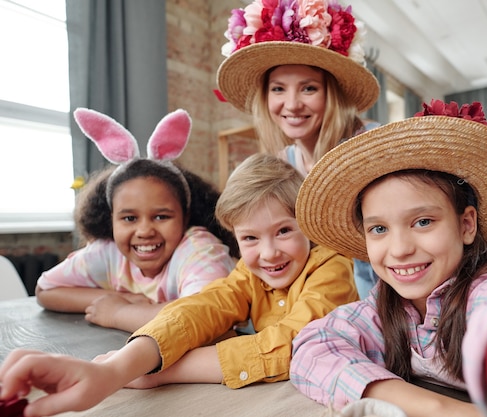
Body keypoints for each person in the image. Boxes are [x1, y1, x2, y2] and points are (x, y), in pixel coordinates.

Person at [0, 152, 357, 417]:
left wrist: (158, 373)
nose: (268, 252)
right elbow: (199, 309)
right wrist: (121, 366)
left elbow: (298, 346)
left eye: (283, 231)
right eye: (250, 238)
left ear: (308, 225)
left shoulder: (331, 266)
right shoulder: (248, 275)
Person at [289, 99, 487, 417]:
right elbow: (313, 346)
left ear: (466, 224)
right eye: (379, 228)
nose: (400, 248)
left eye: (422, 222)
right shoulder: (385, 303)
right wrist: (437, 407)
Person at [216, 0, 381, 299]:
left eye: (308, 88)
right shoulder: (284, 165)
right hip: (315, 304)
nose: (291, 104)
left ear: (332, 94)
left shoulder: (371, 148)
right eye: (278, 89)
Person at [35, 108, 238, 333]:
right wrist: (122, 298)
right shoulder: (108, 251)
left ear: (185, 216)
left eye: (161, 216)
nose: (144, 231)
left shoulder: (200, 250)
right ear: (110, 219)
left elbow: (205, 317)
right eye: (129, 218)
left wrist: (119, 313)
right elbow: (45, 290)